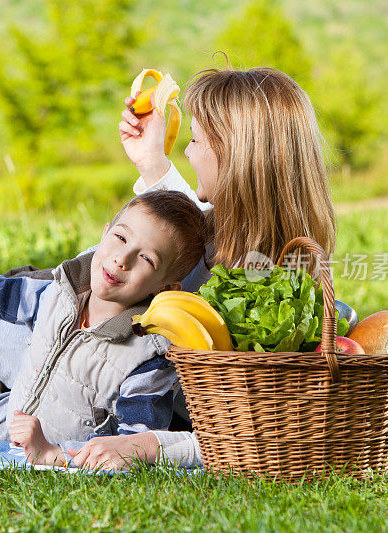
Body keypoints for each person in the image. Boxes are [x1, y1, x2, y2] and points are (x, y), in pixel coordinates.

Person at [66, 65, 338, 469]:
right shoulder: (239, 247)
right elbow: (191, 228)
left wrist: (154, 446)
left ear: (235, 157)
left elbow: (254, 434)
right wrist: (151, 161)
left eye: (195, 141)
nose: (189, 151)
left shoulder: (271, 302)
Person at [0, 190, 210, 466]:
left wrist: (52, 453)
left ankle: (0, 387)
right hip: (16, 414)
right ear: (105, 232)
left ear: (166, 288)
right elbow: (14, 297)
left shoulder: (148, 356)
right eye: (120, 238)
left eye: (146, 258)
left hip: (58, 442)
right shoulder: (63, 288)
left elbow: (129, 444)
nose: (123, 259)